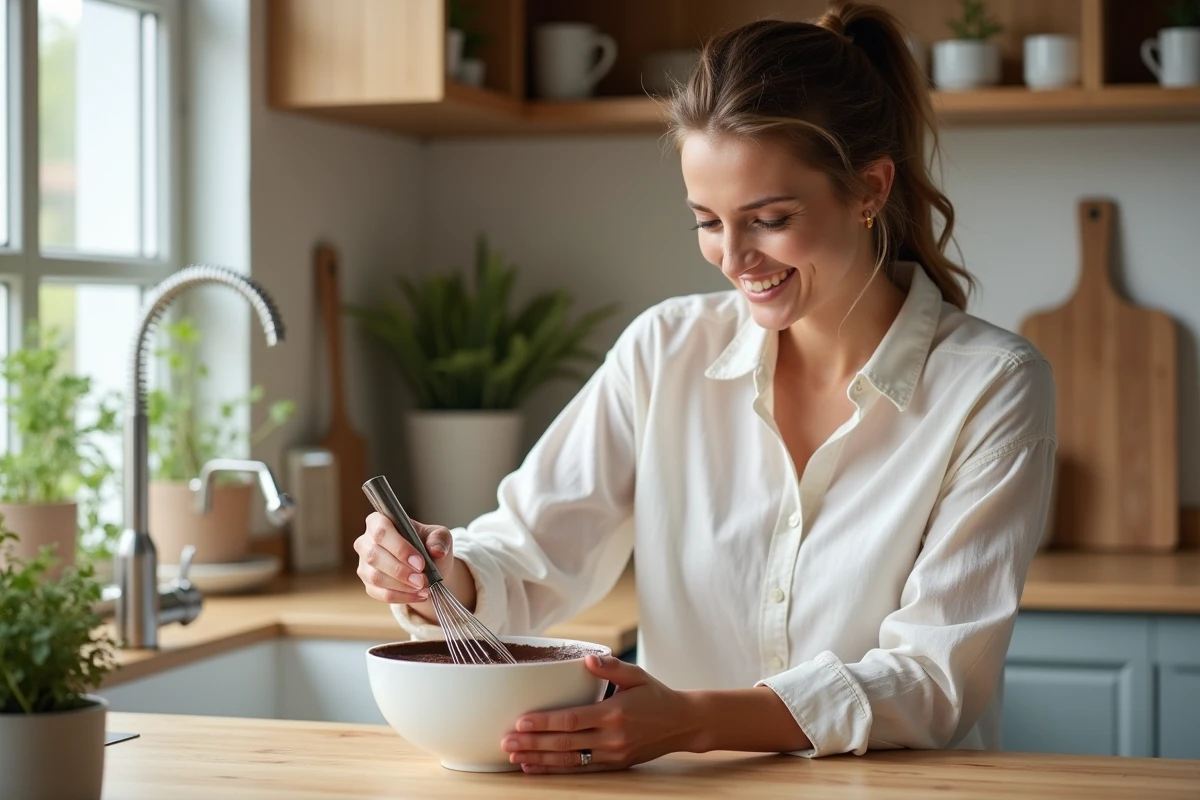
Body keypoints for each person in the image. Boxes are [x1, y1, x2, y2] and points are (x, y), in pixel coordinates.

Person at [354, 0, 1056, 775]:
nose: (734, 258)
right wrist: (437, 574)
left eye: (769, 219)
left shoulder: (992, 385)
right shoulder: (665, 350)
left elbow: (933, 679)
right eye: (708, 221)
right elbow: (530, 551)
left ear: (869, 189)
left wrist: (692, 721)